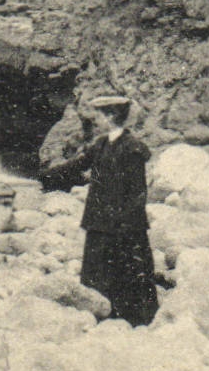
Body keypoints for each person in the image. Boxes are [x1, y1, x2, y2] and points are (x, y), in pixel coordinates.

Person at [38, 94, 159, 326]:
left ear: (112, 116)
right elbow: (77, 165)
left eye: (100, 116)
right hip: (100, 221)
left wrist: (127, 225)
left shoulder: (132, 148)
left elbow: (137, 193)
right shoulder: (101, 145)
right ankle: (102, 314)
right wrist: (48, 176)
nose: (96, 121)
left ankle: (133, 320)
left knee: (128, 272)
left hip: (124, 225)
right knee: (98, 272)